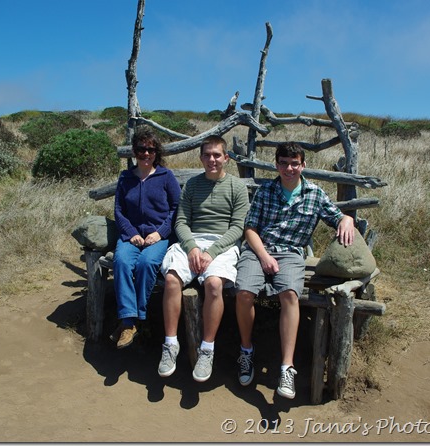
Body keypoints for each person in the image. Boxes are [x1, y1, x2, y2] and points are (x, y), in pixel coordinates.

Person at [234, 142, 355, 399]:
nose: (289, 168)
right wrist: (264, 257)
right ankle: (246, 351)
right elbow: (250, 229)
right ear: (276, 164)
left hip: (291, 253)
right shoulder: (266, 191)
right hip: (258, 250)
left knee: (289, 294)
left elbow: (336, 216)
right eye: (284, 163)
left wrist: (347, 218)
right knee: (244, 292)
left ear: (303, 165)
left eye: (294, 163)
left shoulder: (315, 194)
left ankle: (287, 367)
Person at [157, 135, 249, 382]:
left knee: (214, 284)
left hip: (222, 245)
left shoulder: (237, 187)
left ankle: (207, 349)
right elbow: (182, 221)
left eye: (217, 155)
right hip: (193, 242)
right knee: (172, 280)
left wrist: (212, 252)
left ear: (226, 158)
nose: (212, 159)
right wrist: (192, 248)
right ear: (201, 158)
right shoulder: (192, 186)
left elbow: (238, 227)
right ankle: (170, 344)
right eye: (207, 155)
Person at [110, 127, 181, 349]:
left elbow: (176, 208)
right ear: (134, 151)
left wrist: (160, 233)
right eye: (141, 149)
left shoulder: (165, 177)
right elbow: (119, 211)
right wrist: (130, 234)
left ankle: (135, 318)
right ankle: (130, 322)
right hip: (131, 236)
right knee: (121, 261)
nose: (146, 154)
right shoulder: (126, 178)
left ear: (156, 152)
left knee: (147, 263)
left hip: (159, 236)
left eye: (150, 149)